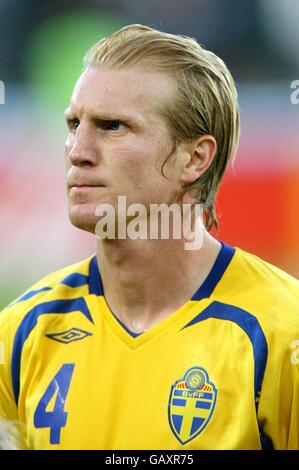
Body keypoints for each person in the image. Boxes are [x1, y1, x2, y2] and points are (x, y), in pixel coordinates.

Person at [0, 24, 298, 451]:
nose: (77, 150)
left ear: (194, 158)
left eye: (113, 126)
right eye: (73, 124)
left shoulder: (283, 336)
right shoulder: (21, 335)